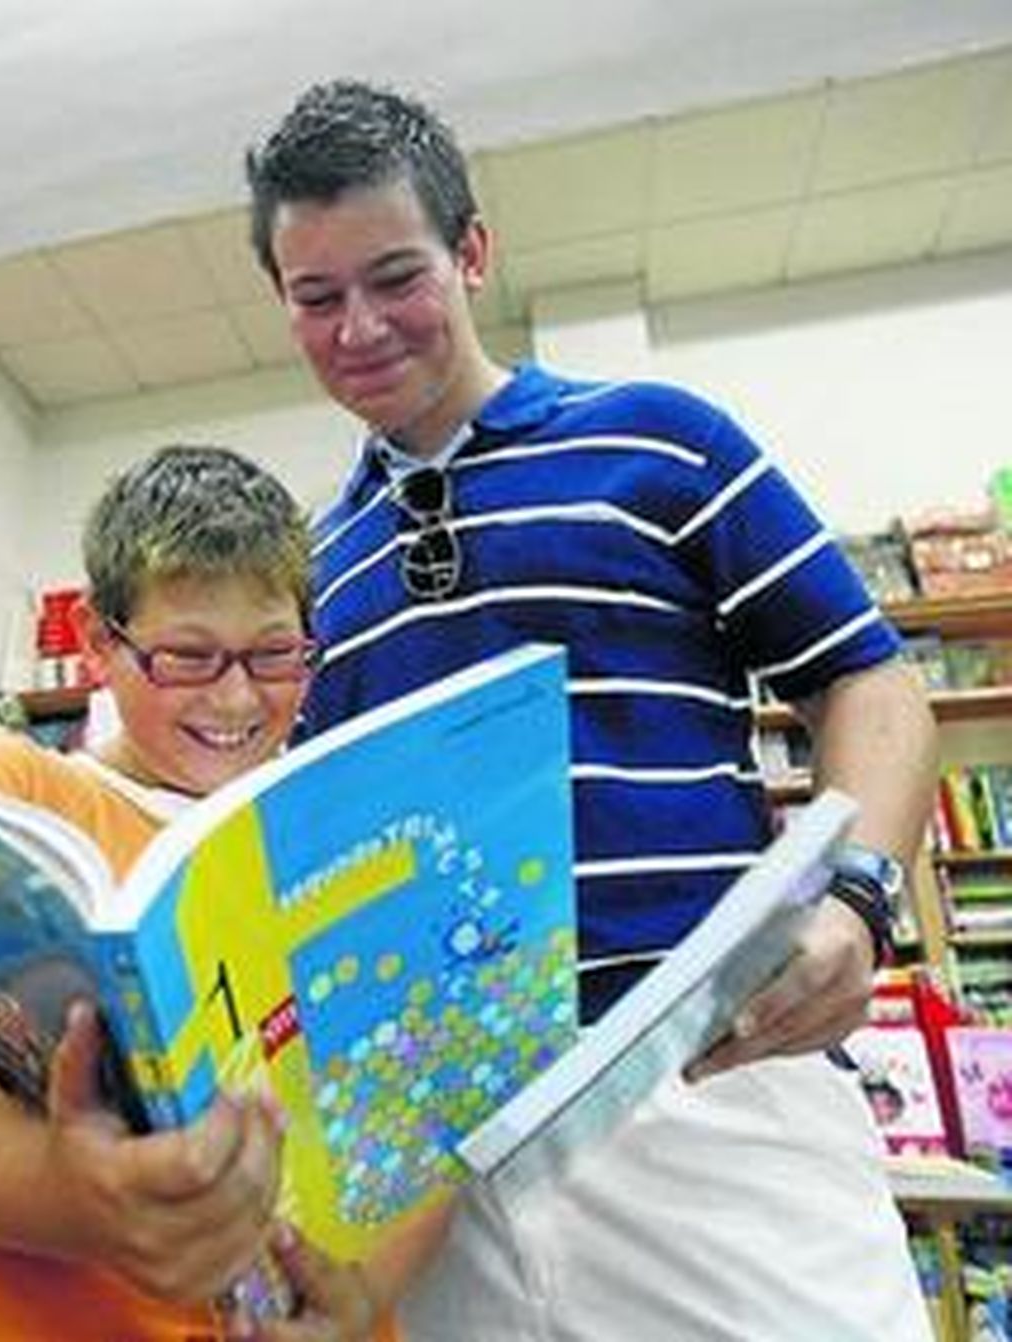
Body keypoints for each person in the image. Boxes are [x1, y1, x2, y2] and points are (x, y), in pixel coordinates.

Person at [244, 79, 941, 1341]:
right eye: (315, 296)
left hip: (706, 1089)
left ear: (471, 252)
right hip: (441, 1158)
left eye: (395, 276)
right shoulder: (315, 567)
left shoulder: (660, 441)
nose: (359, 327)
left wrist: (856, 901)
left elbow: (869, 679)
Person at [0, 445, 411, 1342]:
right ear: (99, 643)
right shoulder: (8, 791)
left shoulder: (337, 848)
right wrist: (74, 1199)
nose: (236, 697)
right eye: (188, 658)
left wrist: (359, 1299)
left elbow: (410, 1133)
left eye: (274, 655)